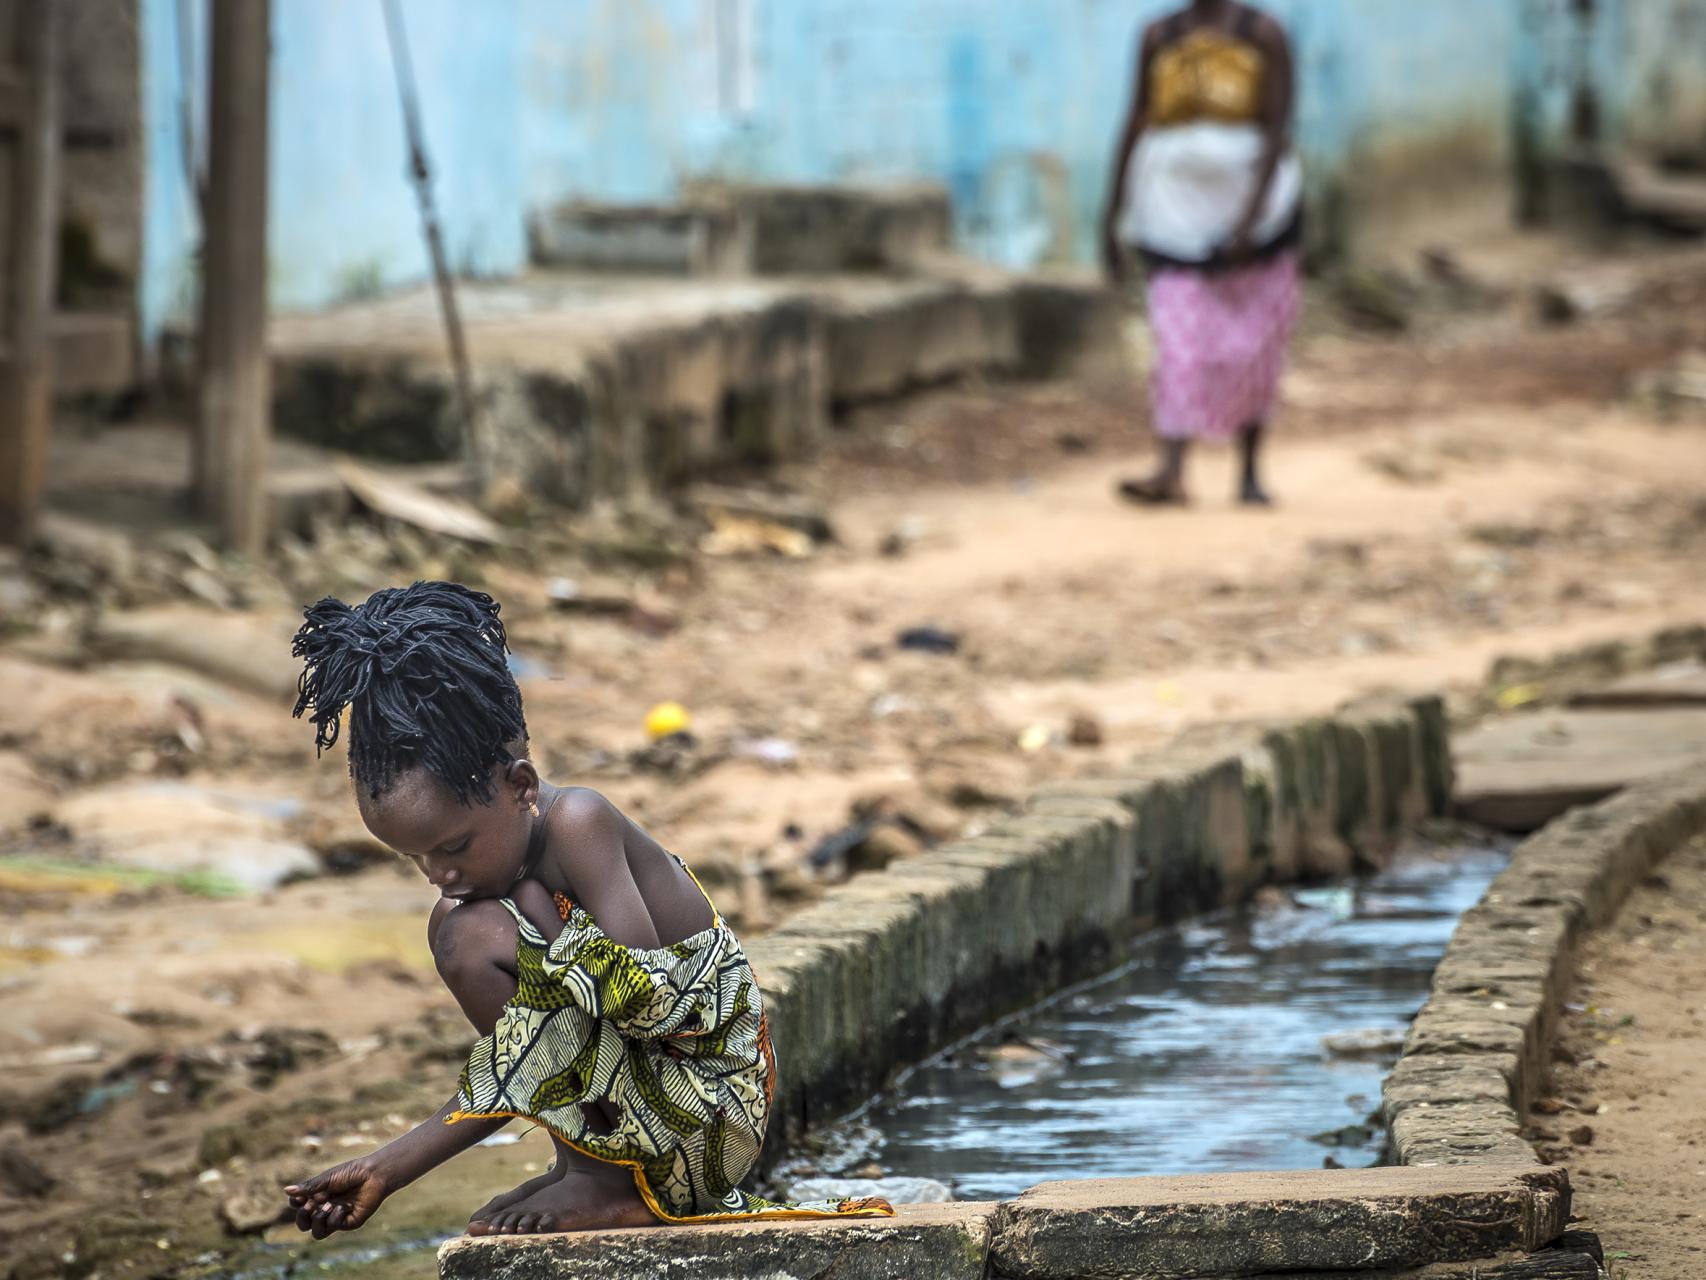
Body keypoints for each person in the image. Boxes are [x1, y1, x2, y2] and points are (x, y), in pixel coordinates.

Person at [280, 582, 893, 1237]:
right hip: (655, 1111)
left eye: (453, 847)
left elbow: (642, 1006)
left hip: (713, 1113)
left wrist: (535, 909)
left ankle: (609, 1181)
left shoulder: (580, 823)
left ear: (520, 787)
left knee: (470, 935)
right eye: (417, 860)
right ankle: (590, 1166)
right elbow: (537, 1049)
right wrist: (385, 1168)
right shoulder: (488, 898)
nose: (441, 874)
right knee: (458, 933)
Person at [1101, 0, 1302, 507]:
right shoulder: (1158, 36)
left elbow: (1278, 127)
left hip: (1255, 207)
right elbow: (1136, 119)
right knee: (1177, 337)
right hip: (1172, 210)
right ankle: (1171, 467)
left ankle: (1250, 470)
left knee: (1255, 341)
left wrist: (1249, 218)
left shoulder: (1264, 34)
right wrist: (1109, 215)